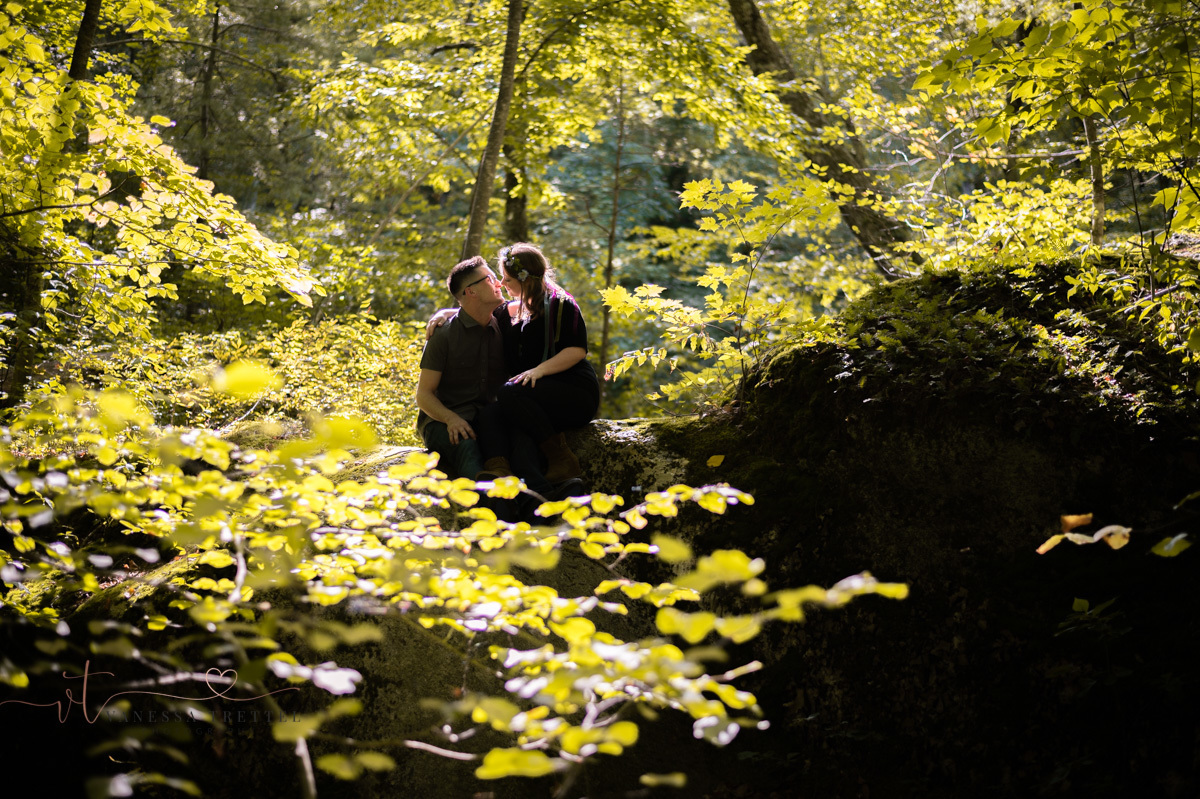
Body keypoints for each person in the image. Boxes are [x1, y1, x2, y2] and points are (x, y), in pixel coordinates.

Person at [475, 242, 600, 483]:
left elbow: (576, 350)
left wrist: (539, 370)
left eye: (507, 279)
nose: (501, 284)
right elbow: (473, 315)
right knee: (489, 414)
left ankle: (562, 459)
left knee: (509, 393)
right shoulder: (507, 311)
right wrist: (442, 315)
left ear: (526, 280)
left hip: (573, 391)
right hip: (530, 397)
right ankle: (500, 471)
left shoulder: (561, 304)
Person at [414, 256, 507, 481]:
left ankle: (539, 496)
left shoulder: (504, 323)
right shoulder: (443, 334)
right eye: (490, 279)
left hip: (486, 419)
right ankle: (481, 497)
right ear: (470, 291)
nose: (499, 283)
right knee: (466, 445)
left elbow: (534, 303)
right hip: (442, 421)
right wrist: (451, 419)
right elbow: (423, 395)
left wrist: (445, 311)